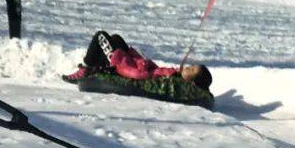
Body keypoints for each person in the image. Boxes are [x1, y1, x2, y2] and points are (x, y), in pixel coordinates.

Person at [63, 31, 212, 91]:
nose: (188, 67)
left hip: (122, 65)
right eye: (192, 66)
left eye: (191, 70)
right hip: (130, 62)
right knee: (116, 38)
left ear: (191, 81)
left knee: (100, 36)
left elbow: (140, 75)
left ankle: (87, 68)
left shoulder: (171, 78)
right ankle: (96, 64)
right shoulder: (175, 75)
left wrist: (120, 60)